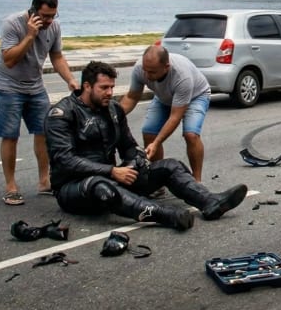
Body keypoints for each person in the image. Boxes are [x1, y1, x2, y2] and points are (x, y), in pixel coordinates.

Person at [46, 61, 246, 230]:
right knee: (101, 186)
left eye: (112, 87)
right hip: (74, 188)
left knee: (170, 166)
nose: (110, 93)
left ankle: (210, 202)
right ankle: (165, 216)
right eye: (104, 88)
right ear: (87, 86)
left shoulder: (114, 109)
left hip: (113, 176)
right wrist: (112, 171)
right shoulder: (62, 114)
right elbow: (65, 160)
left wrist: (136, 160)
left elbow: (128, 146)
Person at [0, 0, 79, 206]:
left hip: (35, 85)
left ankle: (44, 181)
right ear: (33, 12)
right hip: (8, 85)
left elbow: (56, 56)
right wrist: (30, 35)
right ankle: (11, 186)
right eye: (46, 16)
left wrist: (70, 79)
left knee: (44, 130)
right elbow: (10, 59)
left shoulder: (54, 27)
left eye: (53, 16)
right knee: (10, 135)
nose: (50, 21)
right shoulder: (12, 24)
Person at [119, 45, 211, 181]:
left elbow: (175, 116)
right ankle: (158, 182)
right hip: (164, 96)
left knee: (191, 135)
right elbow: (132, 97)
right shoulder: (140, 69)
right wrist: (114, 116)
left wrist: (156, 143)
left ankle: (197, 181)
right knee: (149, 133)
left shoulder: (182, 76)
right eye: (146, 71)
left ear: (166, 67)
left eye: (152, 72)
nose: (148, 76)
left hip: (196, 96)